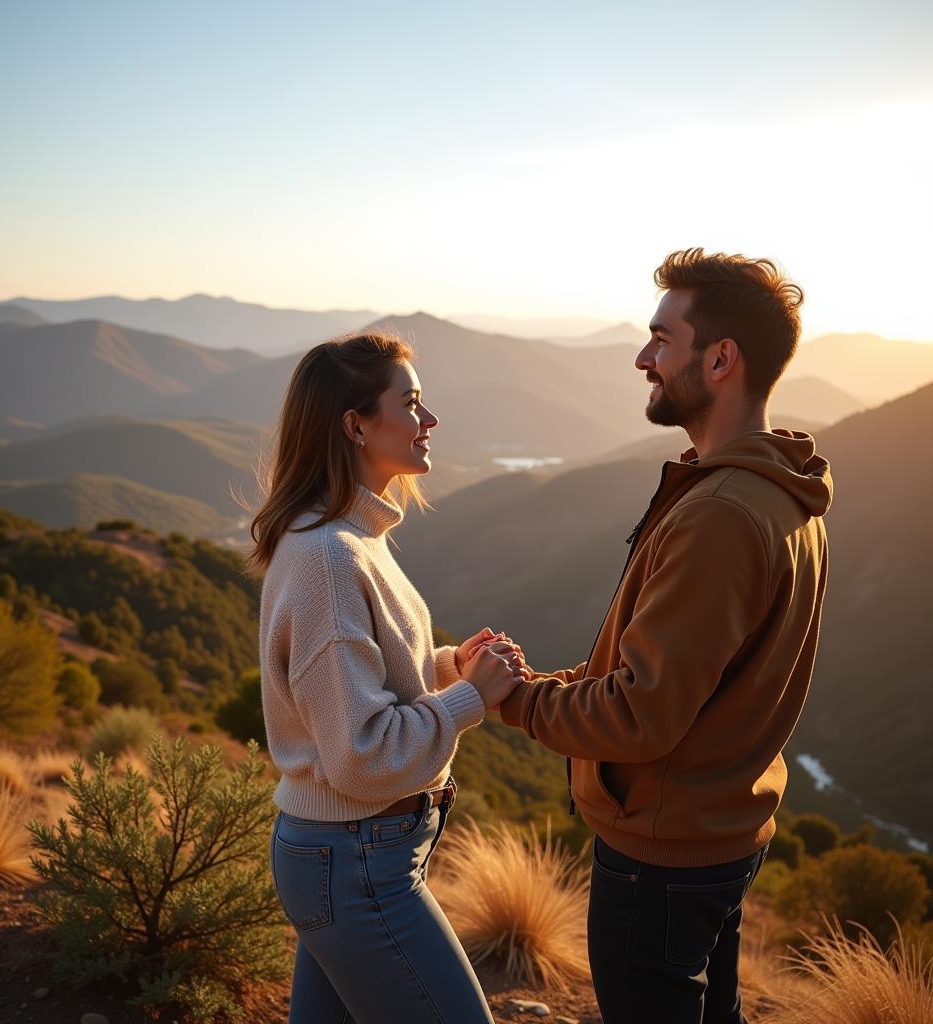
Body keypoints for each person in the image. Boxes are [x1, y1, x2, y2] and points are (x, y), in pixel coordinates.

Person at [497, 249, 833, 1023]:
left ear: (720, 359)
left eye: (660, 339)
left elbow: (641, 714)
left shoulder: (721, 513)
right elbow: (663, 671)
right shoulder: (779, 493)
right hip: (718, 832)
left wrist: (514, 702)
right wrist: (550, 685)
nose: (642, 358)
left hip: (662, 854)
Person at [252, 331, 524, 1024]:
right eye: (411, 403)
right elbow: (360, 753)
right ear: (355, 425)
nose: (429, 421)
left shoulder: (344, 537)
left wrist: (445, 666)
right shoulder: (329, 558)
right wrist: (468, 699)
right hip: (358, 864)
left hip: (344, 858)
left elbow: (355, 686)